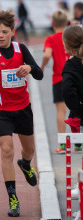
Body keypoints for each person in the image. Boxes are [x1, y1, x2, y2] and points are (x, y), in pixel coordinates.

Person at [0, 11, 43, 217]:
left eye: (4, 32)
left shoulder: (21, 49)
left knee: (29, 149)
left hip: (23, 108)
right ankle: (13, 198)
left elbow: (40, 74)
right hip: (0, 110)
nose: (0, 35)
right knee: (7, 149)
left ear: (12, 32)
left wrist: (28, 67)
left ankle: (25, 163)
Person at [40, 10, 78, 154]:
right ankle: (78, 143)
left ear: (52, 23)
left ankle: (63, 144)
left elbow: (47, 54)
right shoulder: (70, 37)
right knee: (75, 110)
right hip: (75, 77)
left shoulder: (51, 39)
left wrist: (42, 67)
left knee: (60, 111)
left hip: (59, 78)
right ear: (67, 23)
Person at [62, 25, 83, 199]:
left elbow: (68, 92)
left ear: (67, 46)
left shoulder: (71, 65)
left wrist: (79, 110)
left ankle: (81, 186)